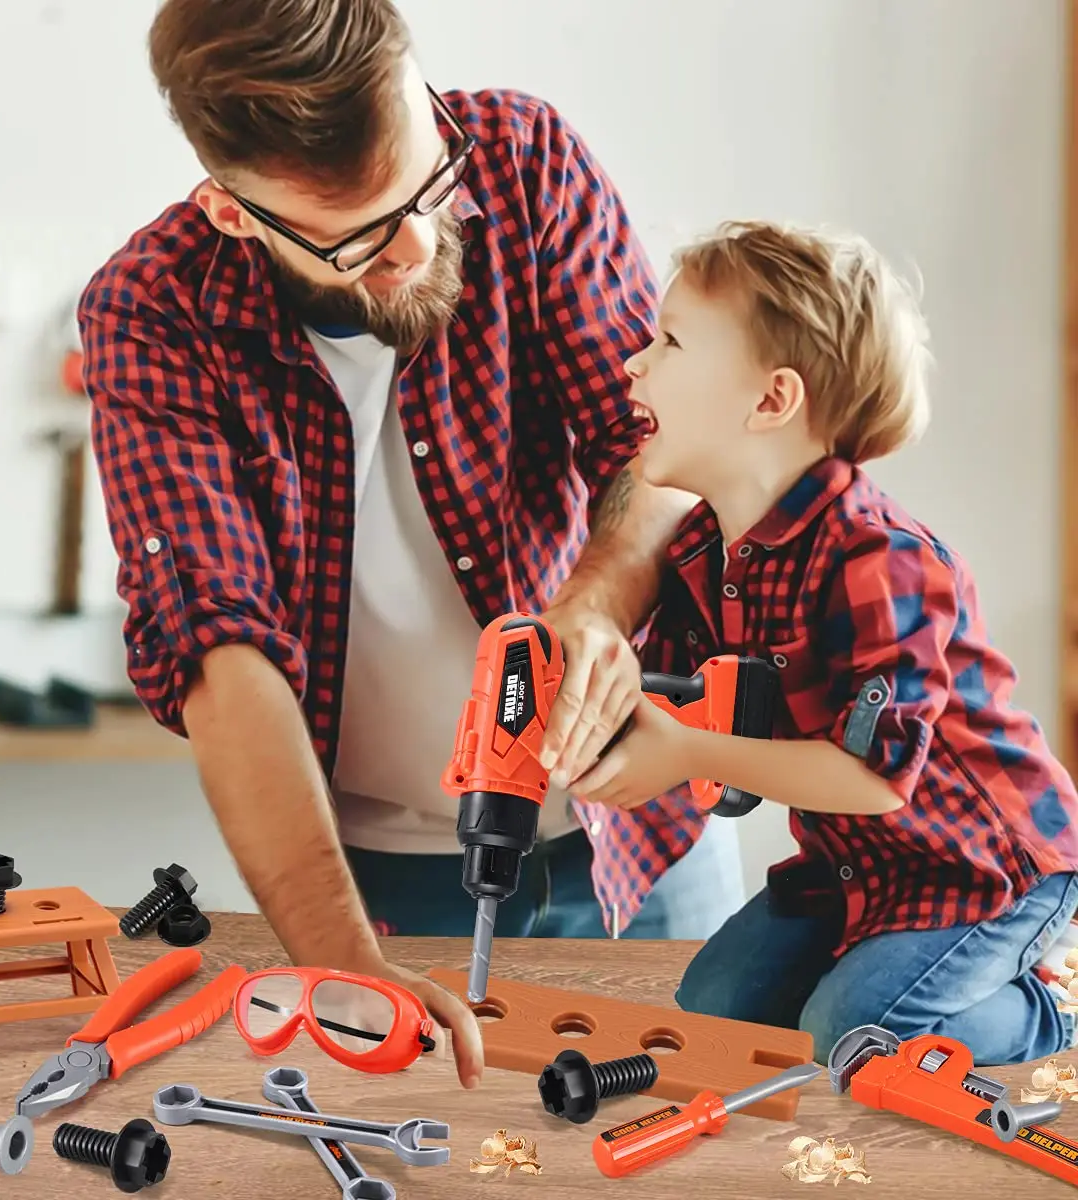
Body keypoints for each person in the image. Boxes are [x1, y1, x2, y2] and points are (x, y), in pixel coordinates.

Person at [79, 0, 748, 1090]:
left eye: (428, 185)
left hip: (635, 825)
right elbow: (220, 653)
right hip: (377, 876)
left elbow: (660, 447)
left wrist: (592, 601)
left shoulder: (525, 162)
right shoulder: (154, 313)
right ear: (234, 213)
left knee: (701, 1113)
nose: (421, 246)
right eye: (355, 236)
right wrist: (346, 967)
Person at [569, 219, 1078, 1066]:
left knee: (849, 1037)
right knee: (716, 1014)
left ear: (771, 400)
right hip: (858, 868)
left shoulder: (881, 558)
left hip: (988, 872)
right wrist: (619, 720)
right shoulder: (702, 553)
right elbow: (721, 730)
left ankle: (1048, 1015)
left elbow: (875, 780)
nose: (635, 361)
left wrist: (685, 747)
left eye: (669, 341)